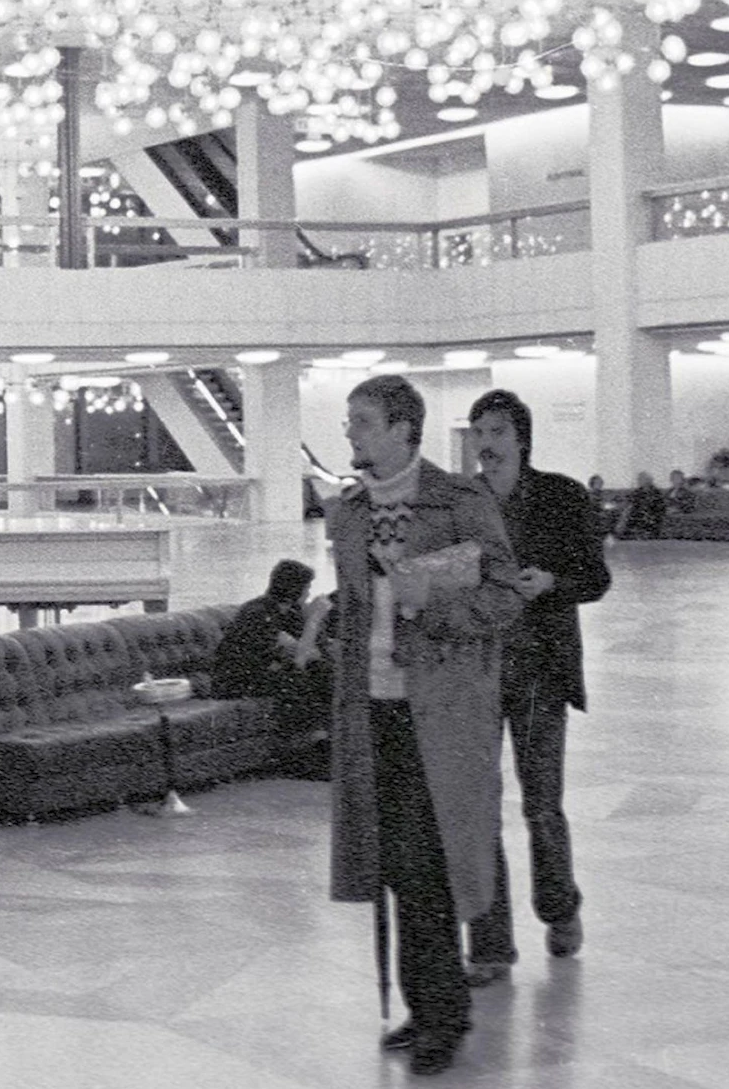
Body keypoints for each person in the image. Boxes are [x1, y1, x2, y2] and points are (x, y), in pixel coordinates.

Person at [328, 374, 521, 1077]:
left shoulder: (460, 502)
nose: (351, 433)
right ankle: (429, 1005)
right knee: (395, 867)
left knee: (430, 865)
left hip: (440, 714)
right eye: (350, 421)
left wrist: (428, 603)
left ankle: (442, 1012)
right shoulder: (348, 512)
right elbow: (355, 605)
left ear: (404, 428)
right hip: (370, 709)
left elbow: (504, 597)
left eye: (364, 422)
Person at [461, 390, 611, 986]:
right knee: (478, 810)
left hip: (539, 674)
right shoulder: (462, 500)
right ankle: (491, 947)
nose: (485, 442)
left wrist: (551, 582)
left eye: (496, 430)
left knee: (541, 806)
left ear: (521, 437)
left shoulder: (562, 497)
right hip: (474, 672)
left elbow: (596, 579)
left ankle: (560, 909)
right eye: (478, 431)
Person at [209, 559, 331, 752]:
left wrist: (311, 625)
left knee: (323, 670)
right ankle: (307, 747)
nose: (308, 593)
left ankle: (327, 739)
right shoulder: (257, 612)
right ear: (294, 588)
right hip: (235, 680)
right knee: (295, 679)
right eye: (306, 587)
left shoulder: (290, 611)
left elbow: (313, 653)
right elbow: (299, 659)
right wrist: (313, 620)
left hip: (267, 673)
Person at [614, 471, 668, 539]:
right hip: (637, 514)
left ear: (648, 480)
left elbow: (658, 506)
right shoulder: (638, 491)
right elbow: (629, 500)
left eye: (641, 479)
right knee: (623, 514)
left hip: (651, 515)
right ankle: (617, 535)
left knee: (627, 516)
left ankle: (618, 535)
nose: (639, 481)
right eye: (638, 479)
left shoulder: (655, 492)